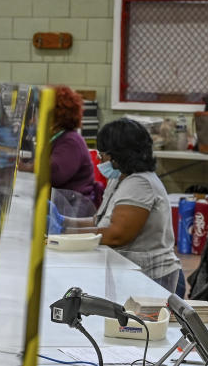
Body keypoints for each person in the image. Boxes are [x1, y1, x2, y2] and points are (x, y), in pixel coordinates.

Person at [59, 119, 181, 292]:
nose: (100, 160)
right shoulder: (119, 178)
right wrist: (64, 222)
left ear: (119, 155)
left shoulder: (141, 183)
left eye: (103, 154)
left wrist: (65, 234)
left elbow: (116, 235)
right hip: (130, 272)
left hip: (153, 279)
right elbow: (100, 221)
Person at [48, 85, 102, 209]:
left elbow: (54, 175)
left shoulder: (71, 141)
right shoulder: (58, 138)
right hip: (64, 203)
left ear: (56, 114)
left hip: (74, 208)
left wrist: (28, 167)